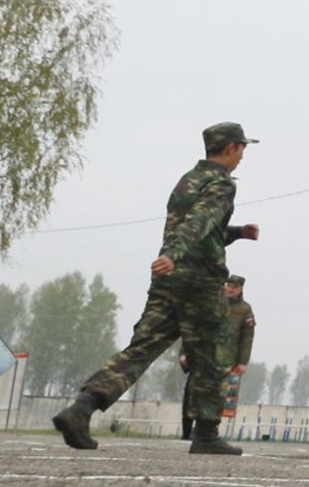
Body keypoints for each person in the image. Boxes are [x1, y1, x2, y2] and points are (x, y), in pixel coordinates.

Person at [53, 123, 261, 456]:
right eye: (242, 149)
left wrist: (235, 232)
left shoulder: (187, 181)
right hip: (200, 282)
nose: (242, 157)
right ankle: (206, 434)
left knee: (142, 347)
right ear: (231, 148)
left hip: (168, 279)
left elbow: (202, 228)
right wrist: (174, 254)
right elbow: (201, 221)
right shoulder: (221, 184)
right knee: (211, 355)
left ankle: (82, 408)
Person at [180, 275, 256, 440]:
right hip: (202, 354)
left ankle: (203, 432)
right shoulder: (211, 303)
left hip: (225, 360)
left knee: (214, 396)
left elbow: (247, 338)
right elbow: (192, 328)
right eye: (228, 285)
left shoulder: (245, 310)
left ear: (240, 289)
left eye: (234, 286)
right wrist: (184, 352)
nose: (229, 289)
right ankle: (187, 430)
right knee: (192, 392)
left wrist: (243, 362)